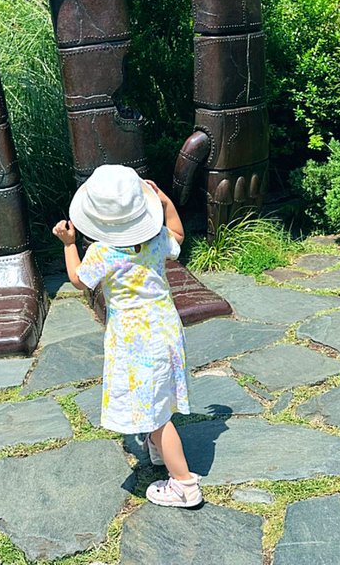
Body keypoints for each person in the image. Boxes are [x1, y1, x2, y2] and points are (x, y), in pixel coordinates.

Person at [52, 164, 203, 508]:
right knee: (157, 397)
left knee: (157, 414)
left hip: (135, 341)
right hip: (165, 328)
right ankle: (157, 447)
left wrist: (69, 244)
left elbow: (78, 279)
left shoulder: (103, 253)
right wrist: (164, 201)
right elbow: (178, 235)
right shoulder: (154, 240)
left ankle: (185, 484)